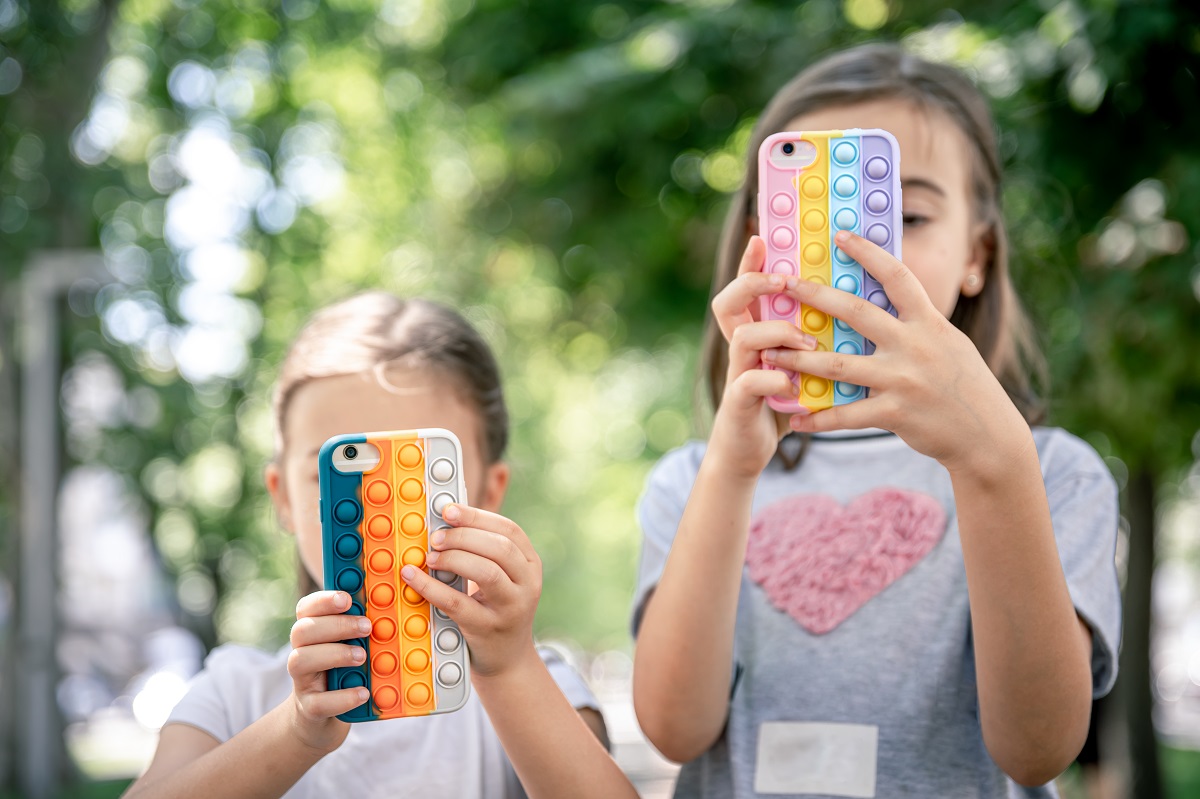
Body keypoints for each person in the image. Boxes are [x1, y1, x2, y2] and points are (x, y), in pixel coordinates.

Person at [632, 43, 1121, 798]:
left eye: (908, 213)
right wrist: (730, 471)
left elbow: (1038, 749)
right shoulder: (692, 480)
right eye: (812, 215)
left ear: (978, 256)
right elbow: (673, 727)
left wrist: (994, 462)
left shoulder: (1052, 471)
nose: (857, 253)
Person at [125, 293, 637, 799]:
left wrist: (508, 669)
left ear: (486, 495)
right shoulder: (235, 691)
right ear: (282, 497)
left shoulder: (534, 681)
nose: (377, 517)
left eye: (417, 471)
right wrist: (296, 731)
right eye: (338, 473)